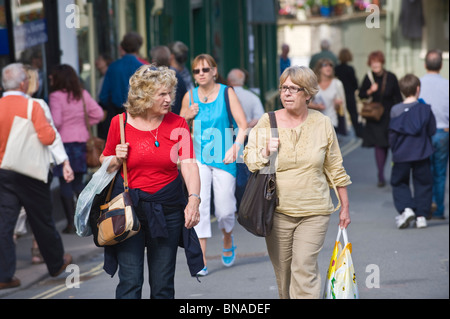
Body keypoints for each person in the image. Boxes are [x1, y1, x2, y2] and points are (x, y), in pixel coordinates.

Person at [243, 65, 351, 299]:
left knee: (304, 268)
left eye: (293, 88)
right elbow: (250, 160)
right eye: (284, 88)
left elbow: (335, 167)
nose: (286, 93)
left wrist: (345, 206)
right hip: (278, 211)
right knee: (284, 275)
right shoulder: (267, 122)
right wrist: (264, 151)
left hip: (315, 210)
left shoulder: (322, 123)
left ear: (308, 94)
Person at [100, 65, 203, 299]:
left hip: (167, 210)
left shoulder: (178, 124)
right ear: (143, 95)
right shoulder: (120, 123)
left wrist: (194, 200)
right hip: (128, 209)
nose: (169, 100)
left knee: (163, 286)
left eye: (170, 93)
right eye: (162, 94)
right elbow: (104, 160)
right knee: (130, 282)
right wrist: (116, 158)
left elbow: (188, 163)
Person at [0, 63, 72, 289]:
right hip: (30, 173)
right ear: (23, 83)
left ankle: (4, 275)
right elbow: (47, 137)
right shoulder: (32, 106)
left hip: (3, 173)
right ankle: (56, 263)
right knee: (42, 220)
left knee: (5, 224)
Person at [180, 54, 248, 276]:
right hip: (198, 158)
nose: (201, 74)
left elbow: (243, 125)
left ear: (214, 71)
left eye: (205, 70)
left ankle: (228, 237)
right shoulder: (189, 96)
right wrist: (186, 116)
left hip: (224, 157)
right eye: (197, 71)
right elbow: (178, 129)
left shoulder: (227, 92)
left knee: (226, 209)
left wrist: (236, 147)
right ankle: (202, 258)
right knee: (199, 205)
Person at [24, 65, 75, 263]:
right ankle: (42, 253)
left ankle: (5, 269)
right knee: (40, 212)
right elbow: (50, 135)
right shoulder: (38, 105)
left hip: (9, 168)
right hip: (36, 166)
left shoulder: (4, 104)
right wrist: (64, 161)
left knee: (12, 218)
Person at [49, 64, 104, 233]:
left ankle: (70, 223)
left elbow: (56, 122)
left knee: (65, 182)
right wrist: (81, 125)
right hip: (82, 142)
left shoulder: (56, 96)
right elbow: (99, 114)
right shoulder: (82, 94)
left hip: (63, 143)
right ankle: (88, 217)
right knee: (79, 182)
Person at [389, 74, 436, 229]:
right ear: (418, 89)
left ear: (402, 90)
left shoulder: (395, 110)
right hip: (421, 151)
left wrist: (394, 149)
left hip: (401, 153)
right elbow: (432, 130)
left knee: (399, 182)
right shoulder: (426, 109)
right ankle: (421, 216)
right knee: (423, 183)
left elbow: (392, 134)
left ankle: (407, 208)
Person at [358, 50, 402, 187]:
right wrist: (370, 91)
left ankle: (394, 174)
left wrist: (400, 115)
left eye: (377, 62)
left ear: (382, 63)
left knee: (390, 145)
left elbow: (398, 98)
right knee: (379, 145)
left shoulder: (391, 77)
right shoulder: (368, 77)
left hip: (389, 115)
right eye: (372, 63)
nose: (375, 65)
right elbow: (361, 94)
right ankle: (381, 175)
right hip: (374, 117)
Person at [227, 68, 265, 208]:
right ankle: (244, 202)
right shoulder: (252, 96)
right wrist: (246, 126)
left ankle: (232, 202)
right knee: (243, 169)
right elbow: (259, 117)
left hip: (225, 136)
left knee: (227, 170)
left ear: (229, 81)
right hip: (246, 137)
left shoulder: (224, 95)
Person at [419, 49, 449, 220]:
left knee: (424, 171)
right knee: (440, 172)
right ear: (441, 65)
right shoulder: (447, 84)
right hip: (443, 131)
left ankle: (426, 205)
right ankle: (439, 209)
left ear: (425, 65)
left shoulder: (419, 84)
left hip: (424, 133)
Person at [98, 32, 144, 138]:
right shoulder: (142, 67)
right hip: (138, 115)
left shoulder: (113, 67)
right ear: (138, 48)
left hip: (116, 115)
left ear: (122, 47)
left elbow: (103, 95)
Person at [309, 58, 347, 135]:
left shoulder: (337, 84)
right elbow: (305, 103)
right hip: (316, 122)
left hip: (332, 122)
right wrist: (316, 106)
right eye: (325, 65)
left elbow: (342, 107)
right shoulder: (314, 84)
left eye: (331, 65)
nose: (328, 67)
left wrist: (337, 104)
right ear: (319, 69)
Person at [150, 45, 187, 115]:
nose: (168, 99)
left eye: (169, 93)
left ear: (153, 61)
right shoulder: (177, 76)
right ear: (169, 59)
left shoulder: (150, 79)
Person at [335, 48, 363, 138]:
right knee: (353, 114)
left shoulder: (336, 69)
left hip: (339, 95)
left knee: (340, 113)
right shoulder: (350, 69)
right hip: (349, 94)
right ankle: (359, 133)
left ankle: (340, 131)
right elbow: (355, 83)